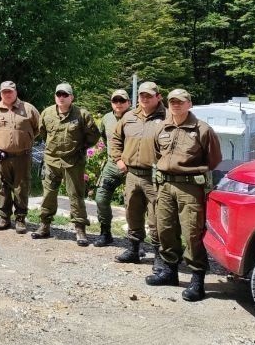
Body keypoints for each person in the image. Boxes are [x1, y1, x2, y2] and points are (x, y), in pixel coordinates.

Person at [146, 89, 221, 301]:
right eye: (172, 101)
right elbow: (156, 154)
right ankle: (170, 272)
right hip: (165, 186)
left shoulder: (203, 130)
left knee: (191, 233)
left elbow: (214, 160)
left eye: (180, 101)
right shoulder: (162, 127)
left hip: (189, 189)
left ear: (189, 103)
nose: (176, 105)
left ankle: (197, 281)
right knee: (165, 230)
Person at [33, 83, 100, 245]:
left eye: (65, 95)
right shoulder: (47, 113)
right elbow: (42, 132)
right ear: (55, 96)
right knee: (48, 194)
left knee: (75, 195)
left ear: (72, 97)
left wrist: (81, 148)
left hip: (73, 162)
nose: (61, 98)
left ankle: (80, 229)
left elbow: (93, 136)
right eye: (59, 95)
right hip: (51, 160)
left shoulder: (82, 115)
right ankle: (44, 225)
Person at [109, 81, 167, 266]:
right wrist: (118, 159)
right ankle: (134, 250)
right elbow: (116, 138)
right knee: (132, 213)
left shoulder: (168, 118)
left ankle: (159, 256)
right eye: (142, 95)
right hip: (132, 175)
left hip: (155, 177)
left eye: (149, 95)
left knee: (157, 217)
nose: (144, 98)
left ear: (158, 97)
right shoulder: (129, 117)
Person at [0, 81, 39, 232]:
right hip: (3, 157)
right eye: (4, 92)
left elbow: (37, 128)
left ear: (15, 92)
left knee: (21, 187)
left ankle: (20, 219)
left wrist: (24, 140)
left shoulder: (28, 109)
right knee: (3, 187)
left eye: (10, 91)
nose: (7, 94)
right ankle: (4, 218)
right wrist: (2, 143)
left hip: (23, 156)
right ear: (1, 93)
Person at [92, 89, 131, 247]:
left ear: (128, 102)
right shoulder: (107, 118)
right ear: (111, 103)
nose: (119, 104)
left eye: (122, 100)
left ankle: (134, 242)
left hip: (132, 168)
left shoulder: (135, 118)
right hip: (112, 165)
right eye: (115, 101)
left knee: (133, 205)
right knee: (101, 198)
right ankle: (105, 233)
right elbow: (103, 137)